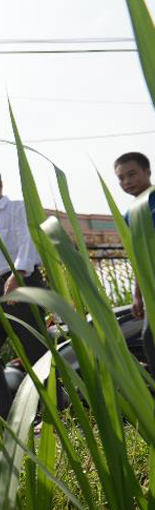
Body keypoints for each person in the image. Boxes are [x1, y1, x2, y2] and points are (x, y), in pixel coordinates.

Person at [0, 164, 48, 419]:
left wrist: (18, 274)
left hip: (20, 283)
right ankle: (1, 413)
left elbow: (28, 241)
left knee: (35, 350)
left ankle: (54, 413)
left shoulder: (17, 208)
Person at [114, 151, 155, 367]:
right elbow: (138, 258)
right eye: (121, 178)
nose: (126, 181)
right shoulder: (130, 215)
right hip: (151, 289)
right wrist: (138, 296)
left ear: (147, 172)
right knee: (150, 339)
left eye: (131, 174)